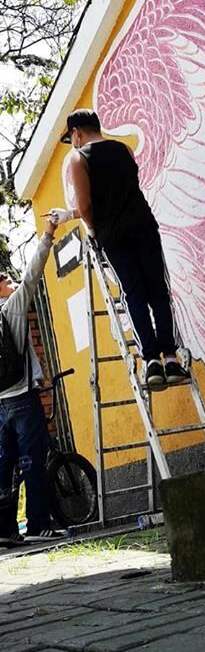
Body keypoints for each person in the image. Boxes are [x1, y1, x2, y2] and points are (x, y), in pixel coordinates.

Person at [46, 109, 189, 390]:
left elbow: (88, 207)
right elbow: (122, 191)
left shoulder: (78, 157)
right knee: (157, 291)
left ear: (76, 133)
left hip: (114, 235)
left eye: (71, 137)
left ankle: (151, 361)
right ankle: (171, 358)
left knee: (133, 293)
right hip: (144, 227)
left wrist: (87, 226)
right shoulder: (124, 149)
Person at [0, 218, 65, 547]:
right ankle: (39, 524)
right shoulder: (11, 309)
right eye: (3, 279)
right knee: (32, 462)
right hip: (23, 399)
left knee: (3, 466)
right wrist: (49, 235)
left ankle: (5, 529)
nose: (10, 281)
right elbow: (32, 274)